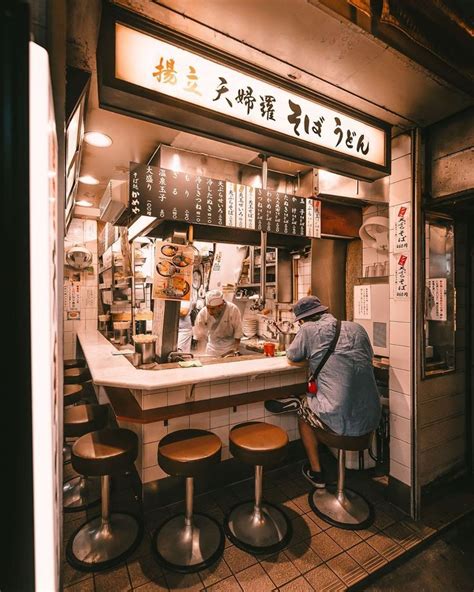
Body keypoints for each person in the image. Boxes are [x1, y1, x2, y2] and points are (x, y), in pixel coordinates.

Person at [266, 295, 381, 489]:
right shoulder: (356, 328)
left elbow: (292, 356)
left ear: (302, 320)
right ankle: (300, 401)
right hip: (371, 417)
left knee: (303, 412)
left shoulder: (308, 329)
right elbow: (367, 357)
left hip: (339, 420)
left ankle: (317, 472)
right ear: (324, 311)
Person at [193, 289, 243, 357]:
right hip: (211, 349)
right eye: (208, 308)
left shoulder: (233, 310)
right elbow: (199, 336)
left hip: (229, 350)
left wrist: (235, 351)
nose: (210, 312)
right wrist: (201, 355)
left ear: (221, 306)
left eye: (213, 309)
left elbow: (238, 333)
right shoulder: (203, 313)